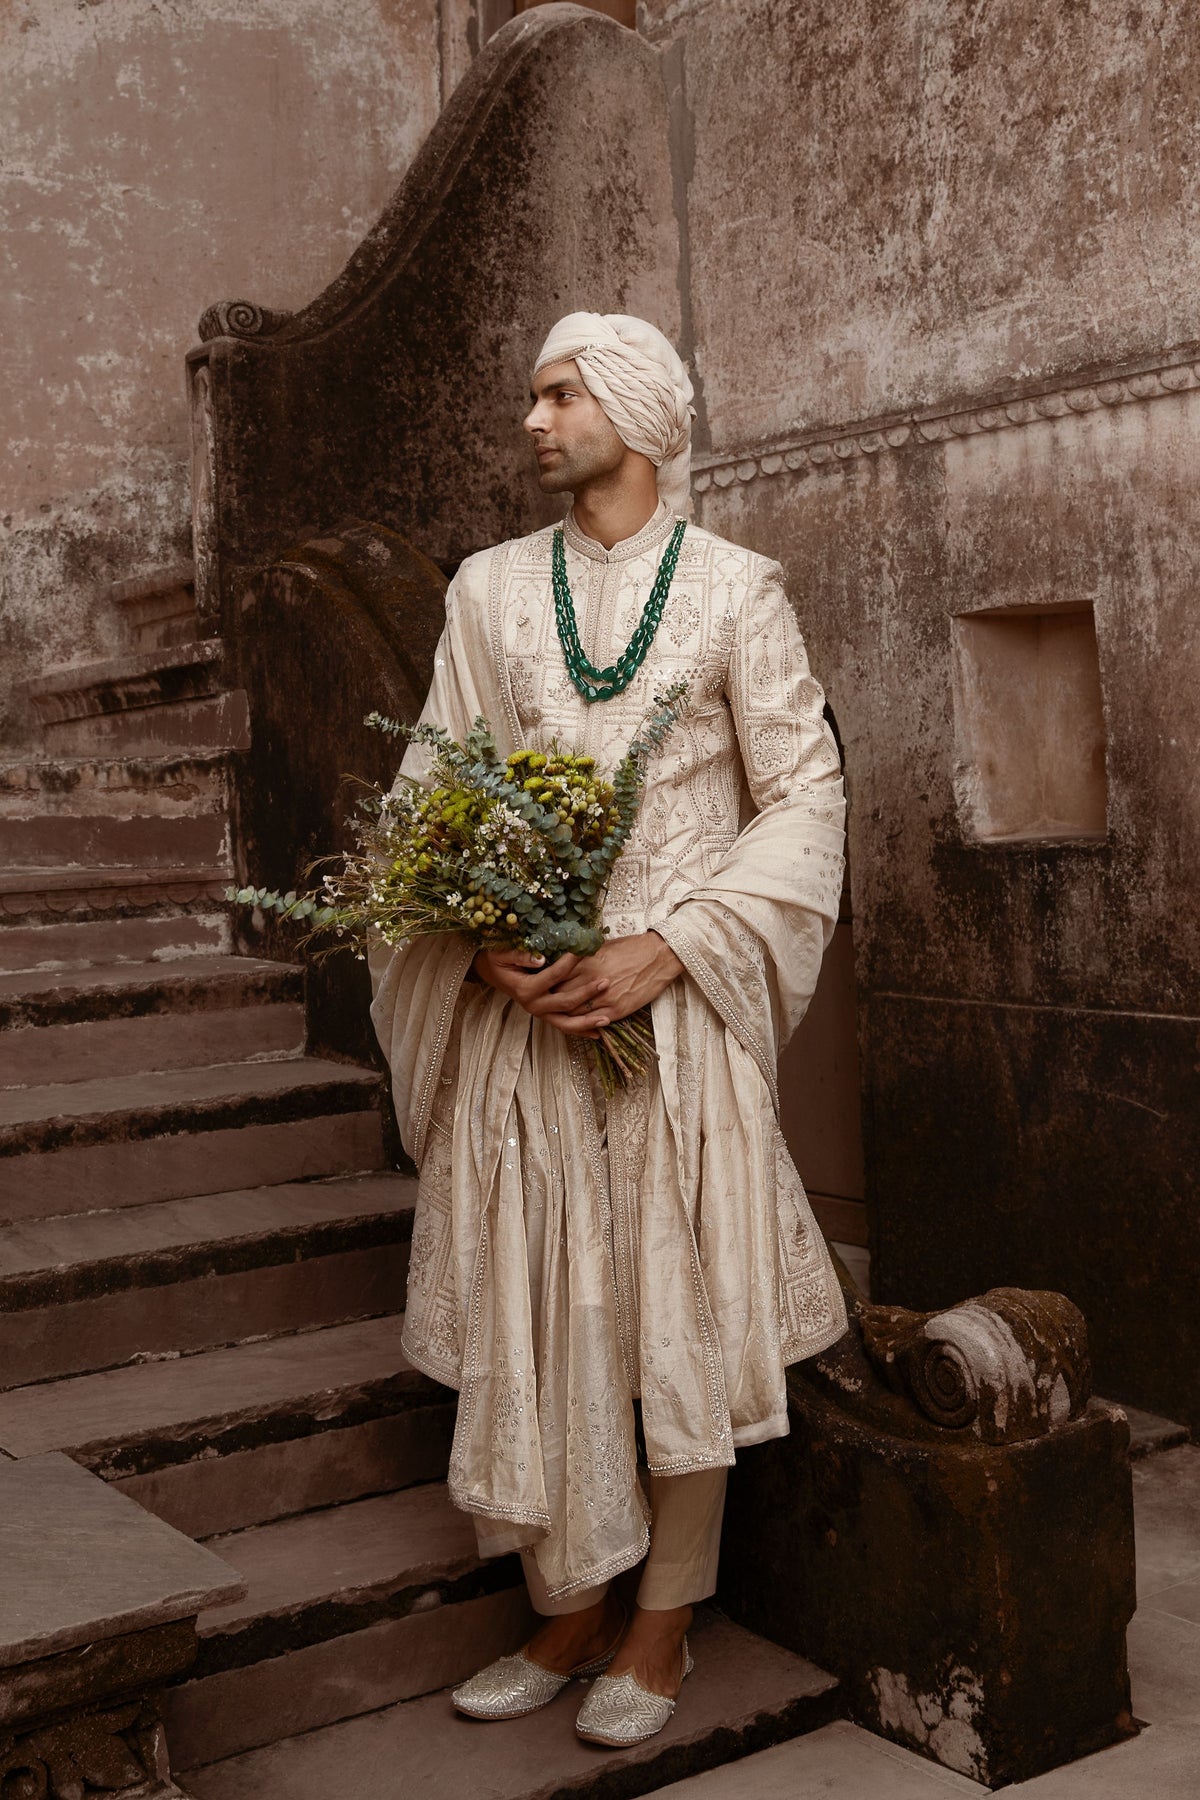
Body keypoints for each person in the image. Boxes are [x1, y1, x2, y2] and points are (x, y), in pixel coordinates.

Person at [369, 311, 848, 1748]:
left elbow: (806, 796)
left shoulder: (738, 593)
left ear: (631, 411)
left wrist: (670, 945)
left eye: (559, 393)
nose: (534, 419)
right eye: (534, 393)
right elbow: (430, 790)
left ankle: (661, 1625)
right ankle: (566, 1603)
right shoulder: (488, 590)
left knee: (678, 1316)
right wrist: (482, 934)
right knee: (544, 1306)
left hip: (673, 1009)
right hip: (527, 1017)